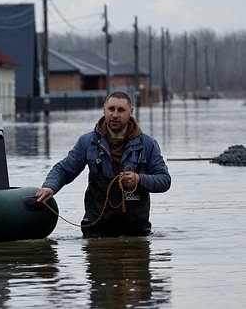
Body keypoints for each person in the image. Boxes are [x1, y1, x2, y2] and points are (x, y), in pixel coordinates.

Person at [36, 91, 171, 237]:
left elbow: (164, 180)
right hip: (96, 232)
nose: (115, 114)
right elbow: (63, 170)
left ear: (131, 112)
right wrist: (50, 187)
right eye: (111, 109)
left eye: (121, 110)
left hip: (136, 234)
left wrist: (139, 180)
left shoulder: (148, 144)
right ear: (104, 109)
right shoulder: (87, 142)